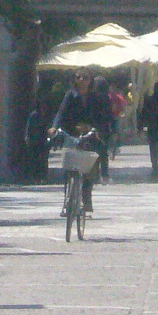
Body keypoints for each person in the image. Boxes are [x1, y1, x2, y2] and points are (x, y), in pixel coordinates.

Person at [51, 71, 110, 212]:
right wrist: (54, 127)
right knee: (69, 168)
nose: (82, 80)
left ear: (91, 80)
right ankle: (67, 201)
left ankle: (86, 199)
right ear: (75, 80)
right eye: (79, 77)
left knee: (88, 170)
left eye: (85, 77)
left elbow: (102, 117)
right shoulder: (70, 96)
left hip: (89, 136)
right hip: (71, 134)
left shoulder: (95, 98)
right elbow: (61, 113)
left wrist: (95, 129)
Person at [25, 103, 51, 182]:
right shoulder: (34, 115)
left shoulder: (47, 115)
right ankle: (35, 177)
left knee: (43, 160)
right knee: (35, 160)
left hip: (43, 141)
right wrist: (27, 137)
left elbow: (49, 127)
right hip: (35, 140)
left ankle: (43, 177)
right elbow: (29, 127)